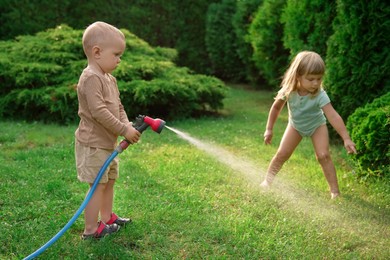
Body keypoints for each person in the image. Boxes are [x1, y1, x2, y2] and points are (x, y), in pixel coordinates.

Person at [75, 21, 141, 239]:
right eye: (116, 54)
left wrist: (128, 124)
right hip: (93, 145)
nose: (119, 59)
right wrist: (123, 129)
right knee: (97, 187)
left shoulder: (109, 78)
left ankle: (107, 218)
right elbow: (99, 112)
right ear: (97, 52)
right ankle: (91, 230)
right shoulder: (91, 77)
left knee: (109, 181)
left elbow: (118, 107)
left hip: (108, 144)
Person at [260, 51, 357, 199]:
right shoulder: (288, 91)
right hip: (295, 126)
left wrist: (346, 138)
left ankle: (335, 192)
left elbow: (332, 115)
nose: (316, 83)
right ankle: (267, 181)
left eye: (319, 79)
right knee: (282, 154)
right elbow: (276, 108)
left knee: (323, 156)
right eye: (311, 79)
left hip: (317, 126)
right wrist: (269, 129)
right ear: (298, 75)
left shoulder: (320, 94)